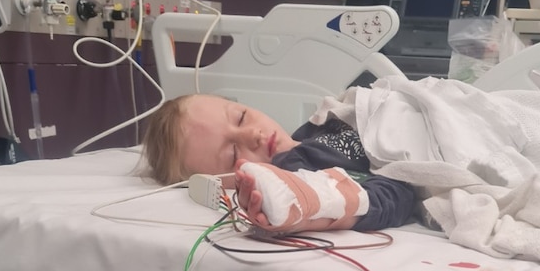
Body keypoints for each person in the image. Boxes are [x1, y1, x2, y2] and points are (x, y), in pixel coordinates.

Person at [141, 94, 416, 234]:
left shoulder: (310, 132)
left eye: (240, 117)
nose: (253, 135)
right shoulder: (295, 171)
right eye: (234, 154)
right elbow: (393, 195)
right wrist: (309, 208)